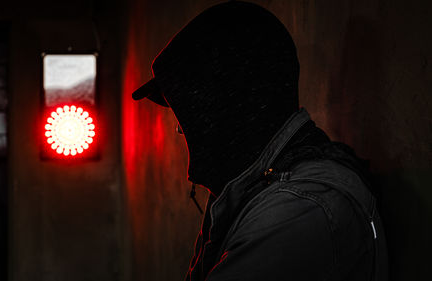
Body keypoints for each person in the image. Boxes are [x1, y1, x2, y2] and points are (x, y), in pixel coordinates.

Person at [132, 1, 388, 280]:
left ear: (228, 105)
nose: (181, 131)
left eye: (188, 113)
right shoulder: (259, 186)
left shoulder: (298, 210)